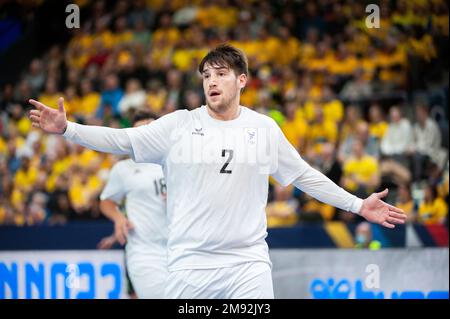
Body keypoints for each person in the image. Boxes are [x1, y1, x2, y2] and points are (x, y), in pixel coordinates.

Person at [28, 44, 406, 299]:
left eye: (221, 73)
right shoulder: (177, 125)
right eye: (206, 74)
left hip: (247, 264)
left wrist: (358, 205)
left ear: (241, 80)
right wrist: (68, 129)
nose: (211, 80)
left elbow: (305, 176)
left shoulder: (263, 128)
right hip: (190, 266)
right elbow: (122, 140)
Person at [98, 110, 168, 298]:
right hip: (145, 252)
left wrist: (180, 197)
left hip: (182, 250)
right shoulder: (124, 169)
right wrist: (118, 217)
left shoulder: (176, 162)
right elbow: (106, 201)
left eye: (150, 129)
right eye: (140, 131)